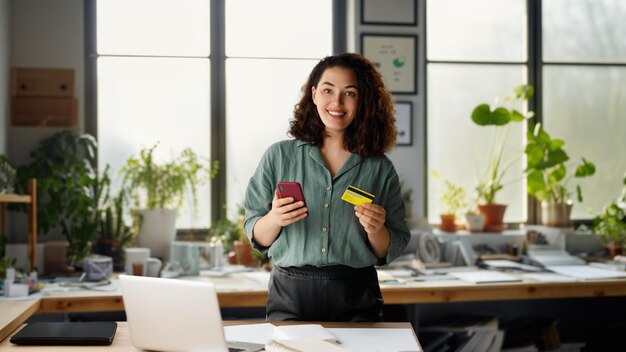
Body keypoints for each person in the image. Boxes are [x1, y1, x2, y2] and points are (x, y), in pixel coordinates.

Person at [243, 52, 411, 322]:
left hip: (356, 294)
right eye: (328, 90)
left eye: (350, 93)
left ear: (362, 100)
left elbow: (389, 247)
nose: (337, 102)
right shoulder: (278, 156)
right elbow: (256, 234)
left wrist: (377, 230)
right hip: (289, 294)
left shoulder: (379, 167)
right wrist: (274, 218)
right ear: (313, 94)